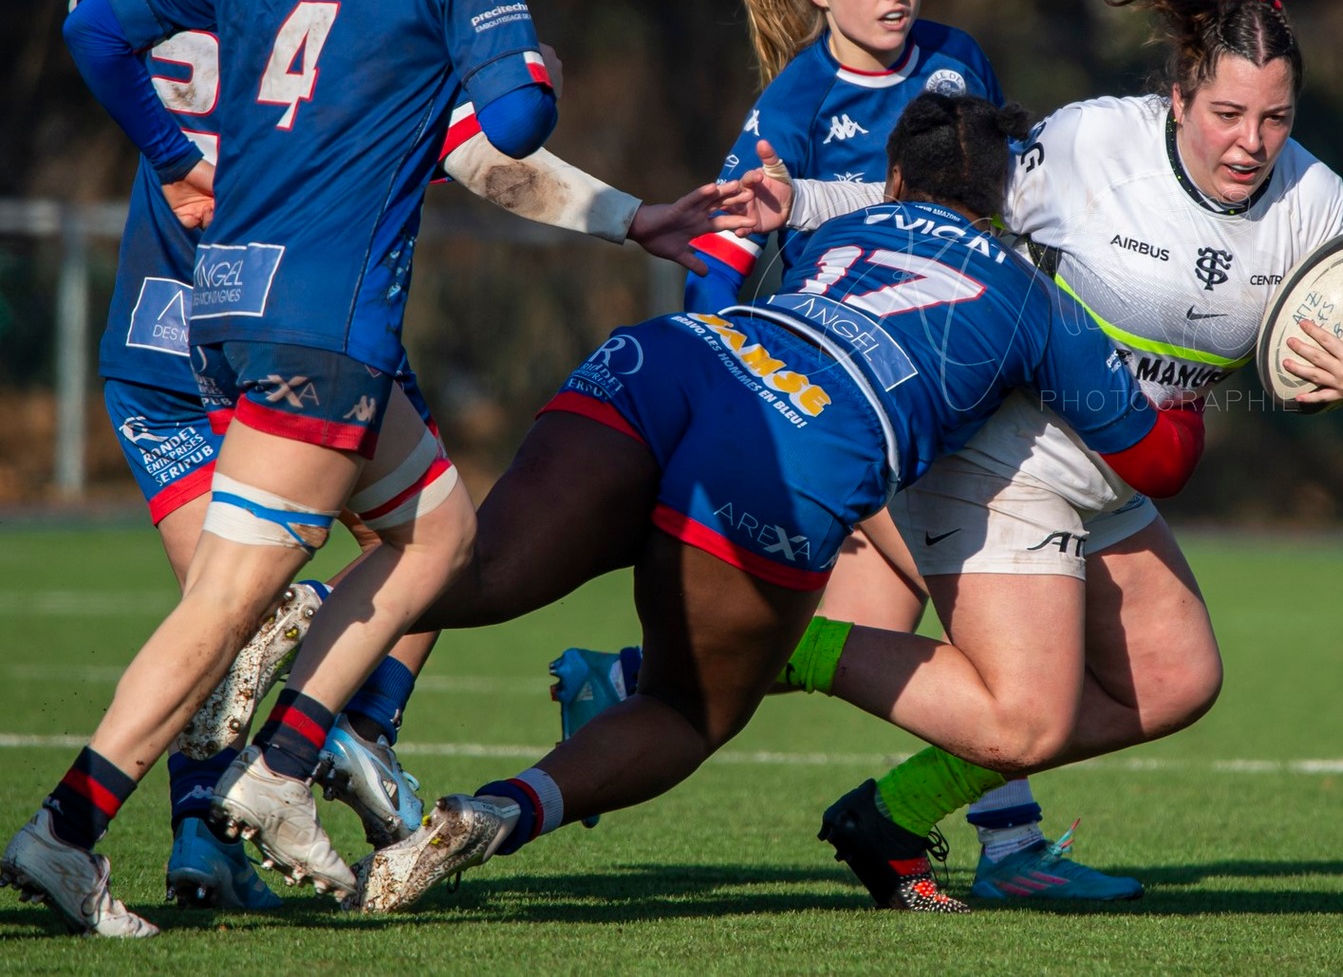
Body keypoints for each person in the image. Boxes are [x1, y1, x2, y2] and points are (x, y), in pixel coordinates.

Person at [0, 0, 653, 939]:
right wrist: (544, 73)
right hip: (324, 328)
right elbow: (508, 129)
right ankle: (68, 832)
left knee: (441, 533)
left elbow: (93, 20)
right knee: (227, 608)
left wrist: (171, 148)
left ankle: (282, 765)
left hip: (228, 306)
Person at [351, 92, 1203, 914]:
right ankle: (496, 813)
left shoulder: (840, 226)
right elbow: (1157, 462)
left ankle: (305, 616)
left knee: (478, 569)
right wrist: (1198, 393)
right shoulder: (1034, 299)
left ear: (895, 180)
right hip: (794, 443)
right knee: (686, 710)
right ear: (1004, 198)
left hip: (674, 357)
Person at [744, 0, 1343, 909]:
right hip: (1004, 453)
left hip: (1110, 477)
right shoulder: (1095, 143)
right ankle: (748, 656)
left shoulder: (1315, 203)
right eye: (1227, 114)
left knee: (1177, 676)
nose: (1250, 143)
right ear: (1178, 95)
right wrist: (801, 203)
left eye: (1275, 119)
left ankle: (886, 810)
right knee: (1025, 705)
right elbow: (941, 211)